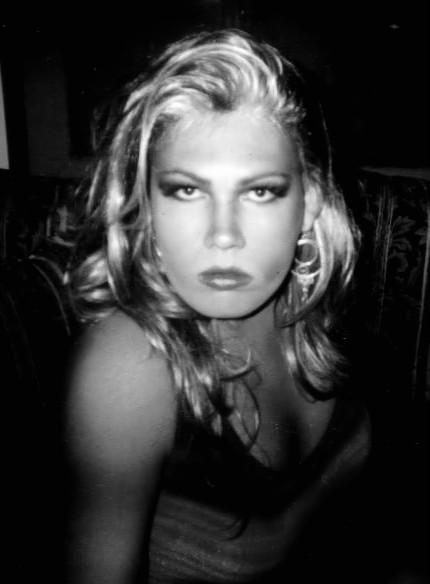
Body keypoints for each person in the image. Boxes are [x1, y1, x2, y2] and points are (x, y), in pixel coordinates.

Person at [63, 28, 371, 583]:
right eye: (187, 190)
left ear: (309, 203)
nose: (223, 236)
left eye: (260, 191)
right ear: (145, 206)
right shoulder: (130, 368)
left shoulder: (315, 312)